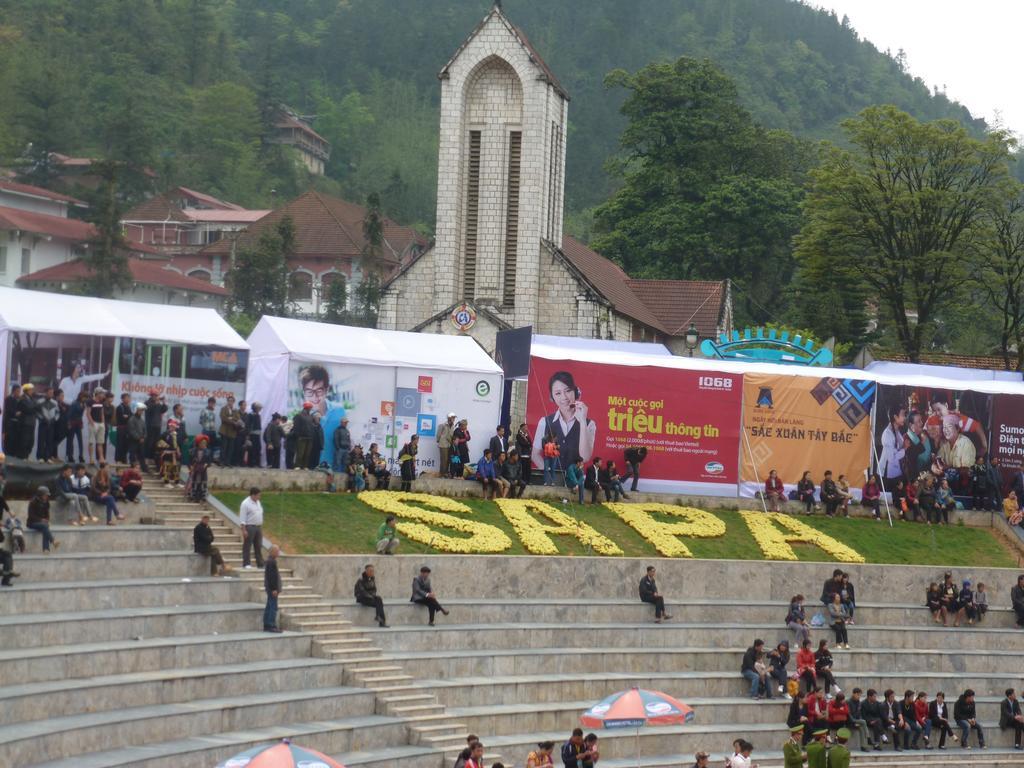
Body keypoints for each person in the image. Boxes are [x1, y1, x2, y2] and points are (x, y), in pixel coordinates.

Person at [530, 371, 596, 472]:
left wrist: (582, 421)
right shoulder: (544, 422)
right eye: (558, 393)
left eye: (568, 390)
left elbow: (585, 457)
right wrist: (548, 473)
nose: (564, 397)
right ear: (552, 397)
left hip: (575, 481)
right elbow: (535, 454)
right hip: (553, 484)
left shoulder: (589, 424)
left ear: (576, 392)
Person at [26, 485, 58, 552]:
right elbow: (31, 515)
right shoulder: (33, 502)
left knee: (45, 526)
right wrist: (41, 520)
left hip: (42, 523)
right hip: (32, 523)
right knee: (44, 526)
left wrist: (47, 519)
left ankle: (46, 549)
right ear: (40, 495)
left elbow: (47, 514)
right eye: (45, 495)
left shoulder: (46, 502)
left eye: (47, 495)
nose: (46, 497)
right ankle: (52, 541)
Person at [240, 486, 264, 569]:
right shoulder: (245, 503)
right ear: (253, 495)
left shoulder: (258, 502)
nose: (259, 497)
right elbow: (242, 518)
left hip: (258, 526)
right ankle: (246, 563)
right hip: (250, 526)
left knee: (258, 545)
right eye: (258, 495)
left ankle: (260, 563)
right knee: (247, 545)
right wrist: (244, 530)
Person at [143, 390, 167, 464]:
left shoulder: (158, 403)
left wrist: (164, 403)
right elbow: (148, 410)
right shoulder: (147, 402)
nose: (156, 397)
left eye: (157, 396)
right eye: (154, 395)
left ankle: (153, 458)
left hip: (157, 425)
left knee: (156, 442)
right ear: (151, 395)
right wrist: (155, 404)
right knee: (149, 442)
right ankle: (147, 457)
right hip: (150, 425)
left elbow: (164, 410)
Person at [186, 435, 211, 502]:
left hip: (203, 470)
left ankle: (202, 496)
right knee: (194, 482)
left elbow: (209, 462)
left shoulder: (207, 452)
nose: (204, 445)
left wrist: (206, 464)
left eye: (205, 443)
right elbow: (189, 461)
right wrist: (190, 466)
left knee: (202, 483)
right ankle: (193, 495)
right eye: (202, 443)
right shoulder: (192, 451)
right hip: (195, 470)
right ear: (198, 443)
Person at [264, 545, 282, 632]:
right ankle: (271, 625)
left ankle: (267, 624)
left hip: (270, 588)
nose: (279, 553)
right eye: (277, 551)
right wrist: (274, 589)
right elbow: (272, 577)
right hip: (272, 589)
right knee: (273, 607)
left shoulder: (270, 561)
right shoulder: (272, 562)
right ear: (273, 552)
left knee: (269, 606)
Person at [219, 395, 241, 467]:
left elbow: (238, 418)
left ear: (233, 402)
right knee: (224, 447)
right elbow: (223, 418)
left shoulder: (235, 410)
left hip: (232, 432)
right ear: (227, 401)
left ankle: (227, 462)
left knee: (230, 448)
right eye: (229, 401)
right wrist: (232, 421)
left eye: (232, 401)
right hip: (224, 431)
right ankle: (222, 462)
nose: (230, 402)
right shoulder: (223, 409)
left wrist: (231, 418)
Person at [437, 413, 456, 478]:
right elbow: (438, 434)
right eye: (453, 417)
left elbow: (451, 435)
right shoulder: (442, 425)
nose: (454, 419)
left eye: (454, 417)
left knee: (448, 459)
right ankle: (441, 473)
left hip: (449, 444)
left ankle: (445, 473)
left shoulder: (453, 426)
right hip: (443, 444)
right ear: (449, 418)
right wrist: (439, 441)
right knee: (443, 460)